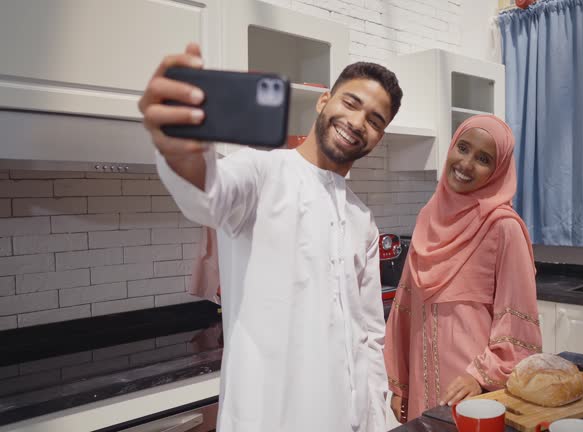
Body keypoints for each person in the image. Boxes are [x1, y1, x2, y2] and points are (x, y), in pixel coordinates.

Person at [138, 42, 403, 432]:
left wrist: (380, 415)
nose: (358, 122)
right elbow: (208, 194)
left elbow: (369, 336)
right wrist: (180, 150)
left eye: (376, 120)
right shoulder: (260, 172)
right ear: (324, 101)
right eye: (350, 103)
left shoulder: (362, 219)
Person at [383, 114, 542, 423]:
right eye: (463, 148)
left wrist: (480, 376)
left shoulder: (503, 228)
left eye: (483, 159)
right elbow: (406, 309)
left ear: (498, 171)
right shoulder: (428, 216)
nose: (466, 163)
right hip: (420, 390)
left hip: (474, 394)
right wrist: (399, 383)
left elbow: (519, 331)